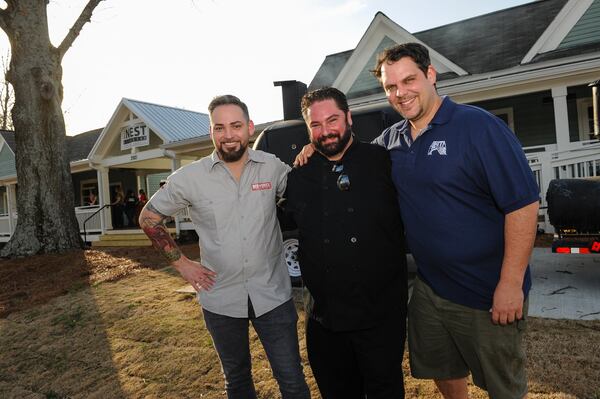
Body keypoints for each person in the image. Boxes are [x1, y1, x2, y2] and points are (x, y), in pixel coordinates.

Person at [371, 43, 540, 399]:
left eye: (409, 80)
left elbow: (523, 205)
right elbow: (355, 159)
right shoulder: (392, 141)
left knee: (503, 385)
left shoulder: (477, 127)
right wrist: (311, 147)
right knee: (440, 368)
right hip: (431, 288)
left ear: (431, 75)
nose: (400, 93)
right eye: (390, 87)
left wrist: (510, 284)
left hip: (486, 289)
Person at [139, 95, 310, 399]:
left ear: (250, 128)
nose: (229, 135)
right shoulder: (190, 178)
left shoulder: (271, 168)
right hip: (220, 299)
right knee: (237, 381)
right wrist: (182, 263)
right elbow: (149, 218)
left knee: (292, 379)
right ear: (211, 132)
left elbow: (306, 189)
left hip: (272, 295)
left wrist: (313, 152)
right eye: (220, 127)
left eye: (236, 125)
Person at [282, 87, 408, 398]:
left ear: (349, 117)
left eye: (333, 120)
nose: (325, 131)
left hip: (381, 319)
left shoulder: (384, 162)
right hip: (326, 321)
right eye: (316, 124)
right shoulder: (298, 175)